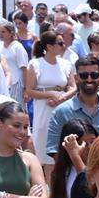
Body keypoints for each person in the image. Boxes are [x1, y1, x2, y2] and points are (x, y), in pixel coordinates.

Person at [24, 29, 76, 159]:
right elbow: (30, 91)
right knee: (43, 147)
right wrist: (50, 94)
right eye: (60, 43)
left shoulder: (66, 64)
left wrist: (61, 98)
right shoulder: (35, 64)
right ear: (49, 46)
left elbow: (73, 87)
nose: (63, 46)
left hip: (62, 107)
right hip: (43, 108)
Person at [47, 119, 96, 198]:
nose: (88, 148)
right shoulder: (62, 171)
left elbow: (91, 189)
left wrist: (76, 157)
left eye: (92, 142)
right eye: (80, 144)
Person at [49, 53, 99, 140]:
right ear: (76, 78)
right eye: (84, 75)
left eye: (94, 75)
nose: (89, 79)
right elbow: (53, 150)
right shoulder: (60, 112)